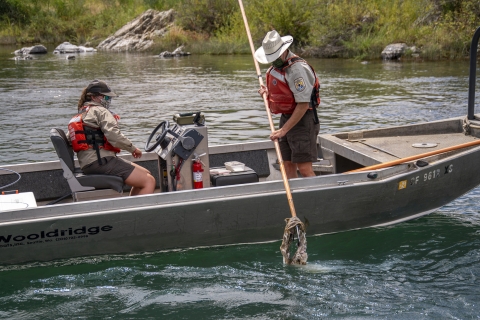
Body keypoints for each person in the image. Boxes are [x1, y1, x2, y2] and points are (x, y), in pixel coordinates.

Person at [68, 79, 156, 195]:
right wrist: (132, 148)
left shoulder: (80, 115)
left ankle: (131, 208)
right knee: (149, 181)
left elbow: (70, 139)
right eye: (106, 97)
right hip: (101, 162)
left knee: (146, 173)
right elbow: (113, 135)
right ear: (94, 97)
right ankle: (135, 212)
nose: (108, 100)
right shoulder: (101, 111)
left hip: (88, 164)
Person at [255, 30, 320, 179]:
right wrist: (268, 93)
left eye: (276, 57)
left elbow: (303, 104)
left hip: (303, 120)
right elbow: (285, 92)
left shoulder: (297, 70)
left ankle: (316, 198)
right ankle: (295, 199)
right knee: (287, 164)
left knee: (304, 168)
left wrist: (283, 130)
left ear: (283, 51)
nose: (274, 61)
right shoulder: (278, 67)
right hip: (286, 118)